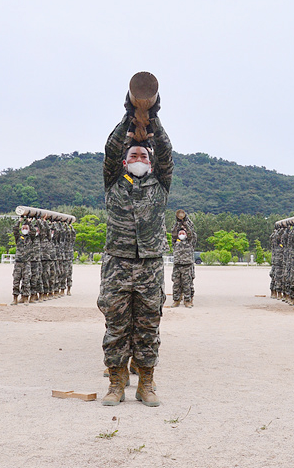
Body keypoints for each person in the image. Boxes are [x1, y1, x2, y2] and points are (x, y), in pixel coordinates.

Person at [98, 93, 170, 407]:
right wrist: (130, 116)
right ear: (126, 162)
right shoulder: (114, 181)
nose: (139, 159)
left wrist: (151, 118)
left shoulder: (160, 184)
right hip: (117, 262)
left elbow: (166, 151)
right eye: (134, 156)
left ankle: (146, 384)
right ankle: (116, 383)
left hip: (150, 264)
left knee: (148, 325)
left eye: (144, 156)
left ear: (150, 163)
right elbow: (111, 149)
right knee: (116, 324)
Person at [170, 214, 197, 308]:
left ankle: (188, 300)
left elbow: (191, 233)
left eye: (183, 233)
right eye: (180, 233)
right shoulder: (176, 242)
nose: (181, 235)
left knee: (187, 284)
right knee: (176, 284)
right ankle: (176, 300)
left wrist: (185, 222)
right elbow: (173, 232)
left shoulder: (190, 241)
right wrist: (178, 222)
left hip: (187, 265)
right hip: (177, 265)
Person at [13, 219, 34, 305]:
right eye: (23, 228)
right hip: (18, 262)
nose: (24, 229)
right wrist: (19, 221)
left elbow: (33, 231)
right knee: (16, 281)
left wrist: (29, 222)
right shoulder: (18, 237)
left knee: (26, 280)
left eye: (26, 228)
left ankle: (25, 298)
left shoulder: (30, 237)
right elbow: (15, 229)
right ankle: (15, 298)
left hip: (27, 262)